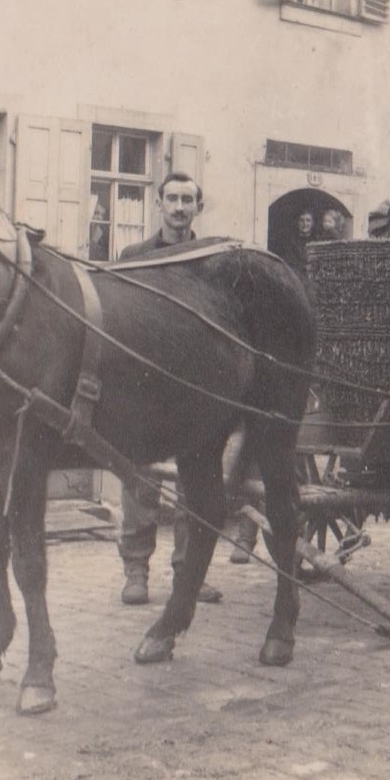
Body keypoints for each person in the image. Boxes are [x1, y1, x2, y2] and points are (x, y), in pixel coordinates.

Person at [114, 172, 249, 605]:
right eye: (171, 198)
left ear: (198, 207)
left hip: (195, 385)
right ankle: (136, 571)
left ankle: (190, 573)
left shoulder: (212, 260)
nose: (178, 207)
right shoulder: (133, 257)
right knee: (141, 478)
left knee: (197, 480)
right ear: (158, 204)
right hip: (145, 383)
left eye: (186, 200)